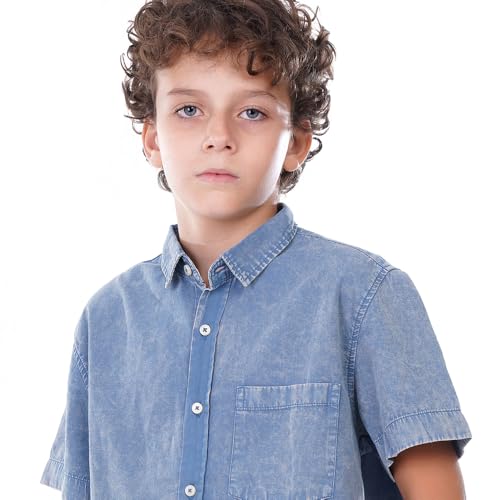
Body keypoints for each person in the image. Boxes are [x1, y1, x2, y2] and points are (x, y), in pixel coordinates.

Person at [40, 0, 472, 498]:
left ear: (296, 142)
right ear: (153, 139)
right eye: (189, 110)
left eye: (252, 112)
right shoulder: (106, 321)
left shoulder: (363, 296)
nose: (218, 137)